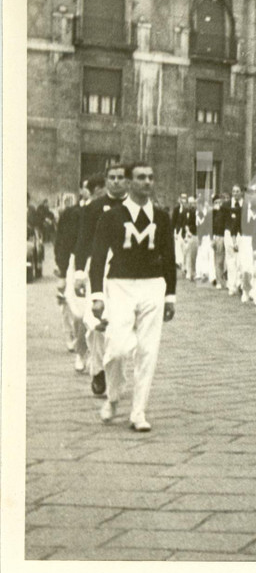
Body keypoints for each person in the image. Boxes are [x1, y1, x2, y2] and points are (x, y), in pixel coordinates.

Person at [89, 161, 176, 432]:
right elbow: (99, 257)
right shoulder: (112, 217)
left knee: (148, 351)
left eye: (150, 177)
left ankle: (138, 411)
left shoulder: (162, 217)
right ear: (128, 182)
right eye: (141, 178)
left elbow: (169, 258)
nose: (147, 182)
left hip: (153, 285)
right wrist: (97, 294)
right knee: (115, 349)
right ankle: (113, 397)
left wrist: (170, 295)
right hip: (120, 285)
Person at [73, 162, 131, 397]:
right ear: (106, 181)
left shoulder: (136, 207)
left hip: (127, 272)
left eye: (120, 178)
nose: (116, 181)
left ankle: (116, 376)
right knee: (98, 324)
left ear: (127, 181)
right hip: (99, 270)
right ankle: (98, 371)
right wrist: (79, 272)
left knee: (122, 327)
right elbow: (84, 240)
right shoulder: (95, 207)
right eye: (112, 177)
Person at [55, 179, 92, 373]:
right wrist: (61, 272)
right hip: (74, 263)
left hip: (99, 263)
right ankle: (80, 349)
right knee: (78, 312)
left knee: (95, 313)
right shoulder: (70, 214)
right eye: (87, 188)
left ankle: (93, 355)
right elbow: (61, 242)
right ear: (81, 190)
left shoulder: (106, 213)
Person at [223, 185, 244, 297]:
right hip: (228, 233)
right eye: (234, 191)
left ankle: (240, 284)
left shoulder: (245, 205)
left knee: (240, 260)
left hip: (241, 234)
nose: (235, 193)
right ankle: (232, 286)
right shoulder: (226, 206)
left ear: (241, 193)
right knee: (230, 260)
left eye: (237, 191)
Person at [211, 194, 228, 289]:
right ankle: (219, 280)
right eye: (216, 202)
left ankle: (225, 279)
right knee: (219, 260)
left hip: (226, 236)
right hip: (218, 237)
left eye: (220, 202)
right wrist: (213, 238)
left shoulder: (225, 212)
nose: (218, 204)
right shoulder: (213, 214)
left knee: (227, 261)